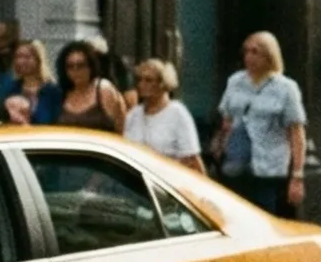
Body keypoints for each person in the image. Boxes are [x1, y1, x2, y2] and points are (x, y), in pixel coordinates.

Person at [210, 32, 309, 217]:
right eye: (246, 52)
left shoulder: (286, 88)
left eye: (256, 52)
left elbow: (296, 132)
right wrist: (219, 146)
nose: (249, 57)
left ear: (270, 55)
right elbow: (227, 120)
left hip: (268, 167)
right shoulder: (235, 82)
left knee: (265, 216)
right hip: (235, 164)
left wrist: (297, 175)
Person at [122, 58, 204, 172]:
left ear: (163, 83)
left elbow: (191, 159)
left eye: (148, 80)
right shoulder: (133, 115)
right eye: (139, 80)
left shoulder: (177, 113)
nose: (141, 84)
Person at [46, 41, 126, 132]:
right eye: (70, 66)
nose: (76, 70)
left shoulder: (103, 89)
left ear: (90, 66)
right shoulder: (62, 93)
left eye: (81, 65)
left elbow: (121, 126)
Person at [0, 38, 51, 125]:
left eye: (27, 57)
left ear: (38, 60)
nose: (20, 61)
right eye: (18, 57)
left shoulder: (51, 91)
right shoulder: (10, 88)